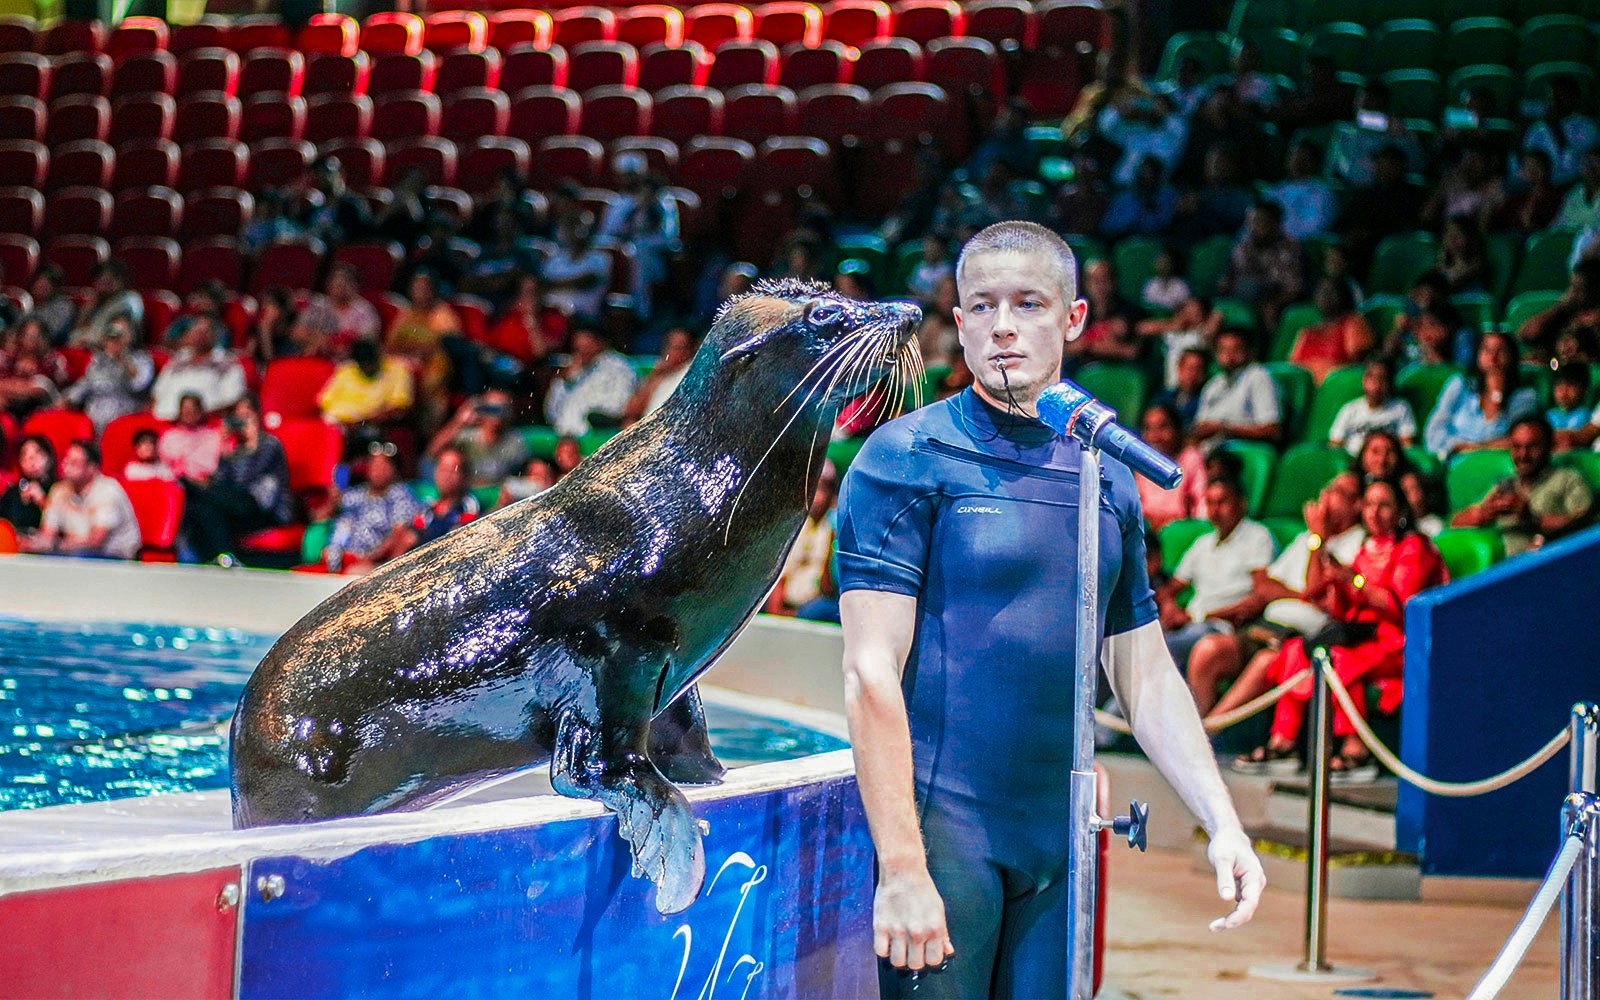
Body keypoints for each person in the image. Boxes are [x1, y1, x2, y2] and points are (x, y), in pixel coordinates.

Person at [836, 222, 1263, 998]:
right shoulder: (903, 459)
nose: (1003, 325)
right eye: (982, 306)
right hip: (945, 838)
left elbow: (1144, 669)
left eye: (1029, 303)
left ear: (1073, 319)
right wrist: (900, 867)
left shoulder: (1108, 470)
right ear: (956, 321)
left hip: (1062, 843)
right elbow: (870, 673)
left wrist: (1221, 818)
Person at [1228, 477, 1447, 781]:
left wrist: (1353, 580)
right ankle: (1283, 744)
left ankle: (1357, 751)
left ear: (1399, 510)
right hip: (1360, 637)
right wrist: (1325, 555)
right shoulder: (1363, 550)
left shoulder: (1414, 547)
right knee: (1294, 651)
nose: (1374, 512)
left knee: (1339, 659)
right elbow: (1324, 601)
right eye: (1369, 504)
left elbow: (1400, 606)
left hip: (1398, 641)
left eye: (1383, 505)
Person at [1189, 472, 1366, 715]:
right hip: (1264, 625)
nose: (1325, 498)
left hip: (1303, 638)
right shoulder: (1304, 537)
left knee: (1265, 661)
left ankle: (1208, 731)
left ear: (1357, 504)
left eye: (1338, 493)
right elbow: (1265, 587)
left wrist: (1319, 539)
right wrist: (1303, 596)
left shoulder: (1358, 542)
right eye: (1328, 489)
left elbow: (1317, 589)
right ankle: (1203, 725)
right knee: (1208, 650)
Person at [1156, 477, 1277, 671]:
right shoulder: (1203, 543)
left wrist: (1196, 616)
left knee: (1159, 649)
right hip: (1189, 625)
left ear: (1241, 503)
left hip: (1220, 628)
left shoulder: (1258, 537)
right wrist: (1170, 607)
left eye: (1222, 502)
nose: (1215, 510)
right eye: (1210, 503)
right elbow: (1170, 589)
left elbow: (1258, 598)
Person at [1452, 415, 1593, 556]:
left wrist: (1531, 518)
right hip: (1510, 568)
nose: (1523, 455)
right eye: (1517, 447)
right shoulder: (1505, 485)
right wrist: (1486, 513)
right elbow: (1455, 523)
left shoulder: (1568, 479)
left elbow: (1584, 524)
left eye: (1532, 447)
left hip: (1554, 560)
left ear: (1550, 446)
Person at [179, 396, 292, 565]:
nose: (242, 422)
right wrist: (224, 450)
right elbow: (222, 481)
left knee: (203, 494)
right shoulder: (234, 448)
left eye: (247, 416)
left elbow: (247, 480)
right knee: (202, 508)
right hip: (236, 507)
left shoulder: (269, 444)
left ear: (257, 416)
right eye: (239, 418)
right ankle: (223, 558)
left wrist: (252, 445)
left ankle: (193, 488)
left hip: (266, 509)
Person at [1424, 331, 1540, 459]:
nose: (1493, 357)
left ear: (1511, 356)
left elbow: (1518, 440)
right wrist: (1451, 447)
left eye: (1500, 350)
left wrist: (1472, 449)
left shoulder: (1524, 396)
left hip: (1498, 463)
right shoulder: (1459, 385)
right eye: (1487, 350)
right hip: (1454, 461)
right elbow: (1433, 432)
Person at [21, 440, 140, 560]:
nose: (66, 466)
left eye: (74, 462)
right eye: (65, 460)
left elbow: (95, 541)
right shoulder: (59, 489)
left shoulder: (108, 490)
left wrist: (57, 544)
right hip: (76, 554)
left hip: (115, 558)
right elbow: (47, 535)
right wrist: (31, 543)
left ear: (92, 468)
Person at [322, 440, 423, 574]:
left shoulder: (400, 495)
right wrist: (331, 503)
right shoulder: (355, 494)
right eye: (374, 464)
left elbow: (399, 534)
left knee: (354, 572)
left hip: (374, 562)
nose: (378, 470)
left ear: (394, 470)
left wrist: (370, 557)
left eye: (383, 465)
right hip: (341, 556)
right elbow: (324, 516)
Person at [767, 461, 839, 621]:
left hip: (816, 604)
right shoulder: (794, 525)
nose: (817, 496)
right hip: (789, 604)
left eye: (823, 488)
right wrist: (777, 611)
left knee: (822, 610)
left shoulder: (833, 525)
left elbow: (828, 585)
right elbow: (782, 573)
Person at [1217, 200, 1302, 332]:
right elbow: (1226, 282)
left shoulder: (1289, 248)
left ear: (1275, 224)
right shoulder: (1242, 247)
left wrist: (1275, 304)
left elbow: (1293, 289)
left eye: (1259, 221)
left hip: (1272, 301)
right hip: (1240, 298)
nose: (1252, 227)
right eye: (1250, 222)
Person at [148, 315, 248, 420]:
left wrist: (193, 417)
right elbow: (157, 393)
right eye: (196, 331)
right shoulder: (178, 359)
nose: (199, 336)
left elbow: (233, 401)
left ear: (214, 336)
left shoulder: (227, 364)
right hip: (164, 421)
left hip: (204, 425)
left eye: (204, 332)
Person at [544, 326, 638, 437]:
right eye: (578, 349)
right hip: (562, 435)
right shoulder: (573, 370)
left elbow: (617, 407)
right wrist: (564, 381)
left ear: (600, 343)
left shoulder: (619, 366)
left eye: (586, 348)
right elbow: (551, 413)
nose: (582, 354)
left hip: (597, 434)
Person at [64, 317, 154, 433]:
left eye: (119, 338)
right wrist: (69, 398)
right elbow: (86, 383)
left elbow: (139, 386)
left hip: (123, 416)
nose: (114, 343)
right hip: (93, 415)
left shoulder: (141, 359)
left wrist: (123, 361)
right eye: (111, 339)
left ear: (129, 338)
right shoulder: (99, 360)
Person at [1191, 329, 1281, 444]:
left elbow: (1272, 430)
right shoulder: (1213, 384)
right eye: (1223, 350)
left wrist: (1224, 429)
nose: (1228, 356)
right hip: (1209, 449)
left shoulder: (1258, 376)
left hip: (1239, 450)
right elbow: (1200, 425)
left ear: (1249, 352)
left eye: (1235, 350)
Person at [426, 389, 529, 489]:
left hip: (499, 495)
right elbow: (432, 452)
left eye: (503, 409)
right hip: (468, 494)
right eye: (493, 409)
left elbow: (527, 471)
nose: (498, 416)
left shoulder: (514, 440)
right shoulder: (468, 436)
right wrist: (458, 422)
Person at [393, 446, 479, 556]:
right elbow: (410, 538)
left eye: (452, 470)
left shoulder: (468, 505)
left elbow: (461, 539)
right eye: (443, 469)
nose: (446, 476)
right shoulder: (427, 509)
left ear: (463, 476)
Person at [1136, 402, 1207, 531]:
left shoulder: (1191, 459)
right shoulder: (1144, 461)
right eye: (1149, 429)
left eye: (1162, 427)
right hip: (1147, 531)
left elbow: (1201, 510)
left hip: (1179, 532)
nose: (1155, 436)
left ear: (1177, 429)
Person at [1290, 279, 1375, 384]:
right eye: (1322, 291)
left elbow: (1359, 363)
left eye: (1332, 291)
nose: (1326, 296)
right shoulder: (1307, 332)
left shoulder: (1352, 323)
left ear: (1343, 295)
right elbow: (1292, 367)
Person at [316, 338, 415, 429]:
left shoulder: (398, 371)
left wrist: (361, 422)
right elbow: (324, 402)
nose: (368, 368)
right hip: (336, 423)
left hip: (370, 426)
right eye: (363, 365)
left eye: (371, 364)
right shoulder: (346, 370)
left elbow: (399, 409)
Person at [1521, 75, 1599, 188]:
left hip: (1575, 185)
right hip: (1542, 187)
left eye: (1563, 96)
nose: (1557, 101)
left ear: (1575, 98)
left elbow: (1573, 165)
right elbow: (1528, 162)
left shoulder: (1586, 126)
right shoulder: (1537, 128)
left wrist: (1555, 127)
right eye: (1554, 97)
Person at [1329, 358, 1417, 454]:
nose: (1377, 385)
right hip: (1355, 460)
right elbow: (1335, 445)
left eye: (1383, 379)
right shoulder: (1350, 409)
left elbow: (1407, 445)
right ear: (1364, 381)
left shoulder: (1400, 408)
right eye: (1372, 378)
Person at [294, 264, 381, 357]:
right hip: (313, 356)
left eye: (345, 281)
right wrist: (317, 340)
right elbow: (297, 333)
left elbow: (367, 343)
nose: (339, 284)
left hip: (346, 362)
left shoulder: (365, 311)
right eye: (335, 280)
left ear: (355, 286)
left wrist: (332, 344)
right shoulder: (317, 305)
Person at [621, 328, 697, 426]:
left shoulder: (693, 375)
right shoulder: (660, 374)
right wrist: (653, 377)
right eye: (669, 346)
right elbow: (631, 412)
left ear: (690, 350)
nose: (670, 352)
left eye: (678, 347)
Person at [1264, 141, 1338, 240]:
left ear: (1314, 162)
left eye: (1303, 156)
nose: (1296, 160)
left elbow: (1316, 228)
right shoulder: (1276, 190)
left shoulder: (1322, 193)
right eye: (1293, 155)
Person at [67, 262, 143, 347]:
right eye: (101, 278)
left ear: (120, 281)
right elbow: (76, 333)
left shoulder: (127, 300)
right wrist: (86, 310)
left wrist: (89, 343)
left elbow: (118, 334)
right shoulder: (94, 302)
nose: (105, 282)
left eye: (110, 279)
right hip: (90, 349)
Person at [159, 393, 223, 483]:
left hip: (209, 484)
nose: (189, 413)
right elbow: (164, 465)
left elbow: (219, 464)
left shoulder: (213, 435)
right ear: (180, 411)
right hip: (179, 484)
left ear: (200, 411)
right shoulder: (169, 436)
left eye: (193, 409)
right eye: (185, 409)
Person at [0, 434, 54, 532]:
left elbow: (66, 523)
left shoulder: (60, 488)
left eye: (38, 453)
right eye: (24, 455)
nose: (31, 459)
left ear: (49, 457)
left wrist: (42, 501)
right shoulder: (12, 492)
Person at [1155, 345, 1211, 430]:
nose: (1193, 374)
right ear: (1179, 368)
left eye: (1198, 369)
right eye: (1189, 368)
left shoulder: (1206, 400)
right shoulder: (1164, 398)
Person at [28, 265, 76, 346]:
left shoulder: (62, 307)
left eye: (45, 284)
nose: (40, 287)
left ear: (54, 288)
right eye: (38, 283)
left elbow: (52, 335)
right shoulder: (32, 304)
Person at [1548, 364, 1593, 443]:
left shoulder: (1588, 416)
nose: (1564, 392)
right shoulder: (1549, 415)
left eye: (1570, 385)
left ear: (1584, 389)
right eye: (1559, 386)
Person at [1140, 246, 1191, 312]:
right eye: (1159, 261)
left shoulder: (1181, 286)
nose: (1161, 265)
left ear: (1172, 264)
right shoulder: (1150, 284)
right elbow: (1147, 307)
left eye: (1165, 262)